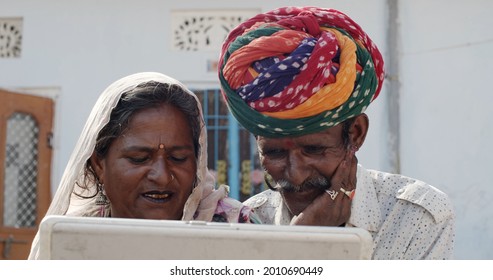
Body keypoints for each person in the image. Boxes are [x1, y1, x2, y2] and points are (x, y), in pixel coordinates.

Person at [218, 6, 455, 259]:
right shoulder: (246, 222)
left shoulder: (416, 216)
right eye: (275, 153)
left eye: (314, 149)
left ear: (355, 134)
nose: (296, 175)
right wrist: (300, 243)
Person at [28, 72, 259, 259]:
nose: (161, 177)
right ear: (99, 165)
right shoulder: (69, 243)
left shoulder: (238, 231)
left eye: (178, 158)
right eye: (139, 158)